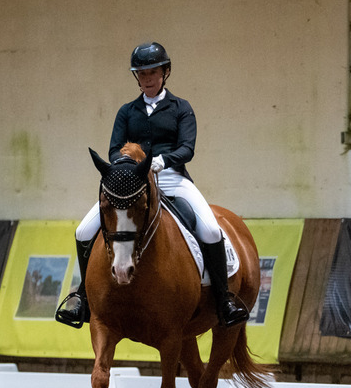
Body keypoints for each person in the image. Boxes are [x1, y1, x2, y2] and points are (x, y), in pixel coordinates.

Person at [55, 41, 249, 329]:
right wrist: (129, 166)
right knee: (83, 230)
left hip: (171, 177)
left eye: (153, 73)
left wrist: (162, 161)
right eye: (142, 74)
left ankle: (224, 299)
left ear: (165, 73)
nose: (147, 79)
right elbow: (113, 150)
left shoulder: (181, 108)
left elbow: (187, 148)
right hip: (132, 182)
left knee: (210, 229)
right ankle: (83, 297)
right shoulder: (127, 111)